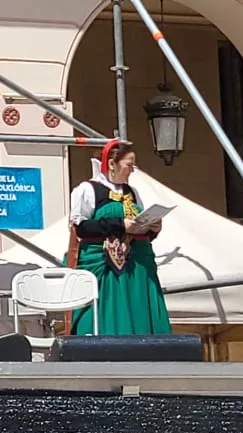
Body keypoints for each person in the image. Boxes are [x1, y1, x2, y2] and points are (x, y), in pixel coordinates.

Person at [67, 140, 171, 336]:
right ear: (112, 164)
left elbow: (138, 226)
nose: (132, 170)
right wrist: (120, 224)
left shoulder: (132, 193)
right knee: (110, 310)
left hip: (139, 265)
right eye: (128, 165)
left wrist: (152, 228)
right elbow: (81, 228)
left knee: (140, 309)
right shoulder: (88, 190)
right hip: (106, 265)